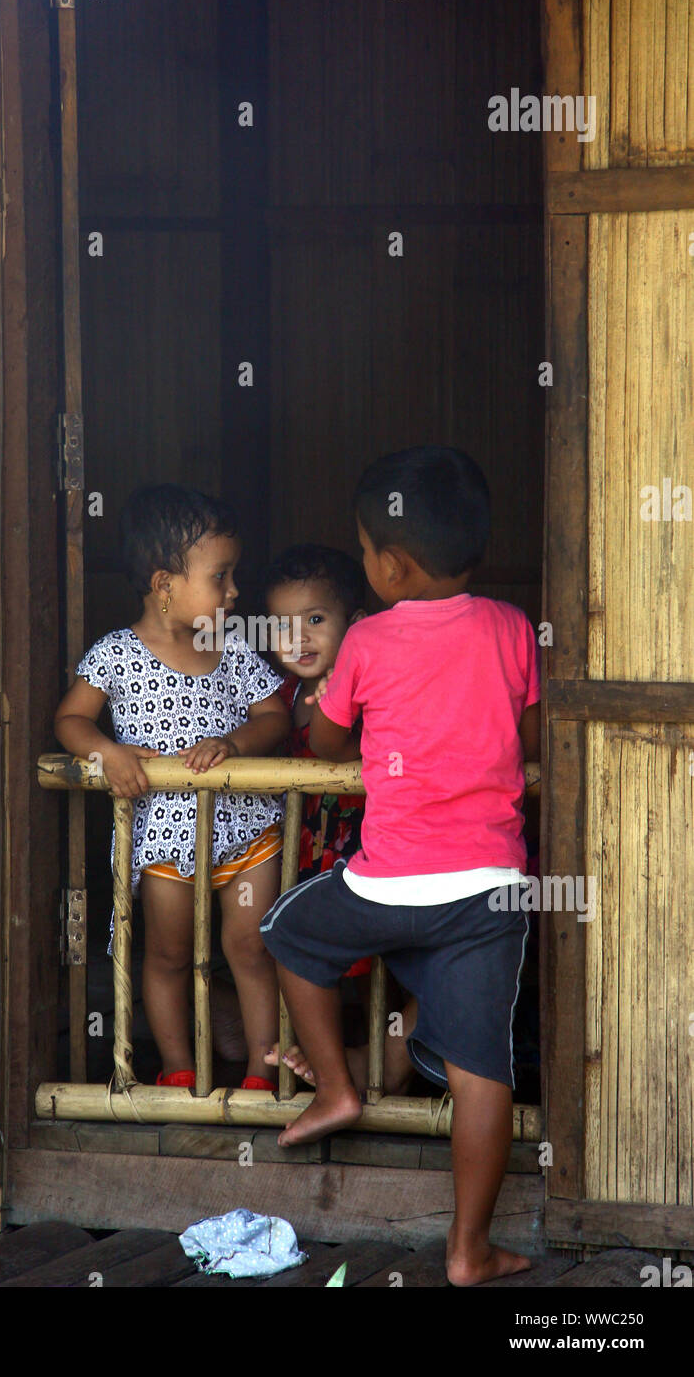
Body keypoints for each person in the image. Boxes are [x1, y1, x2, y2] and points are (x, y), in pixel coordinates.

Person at [260, 446, 541, 1286]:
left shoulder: (370, 642)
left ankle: (338, 1089)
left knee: (289, 932)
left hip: (385, 882)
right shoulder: (512, 629)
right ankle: (468, 1251)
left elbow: (328, 743)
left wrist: (339, 718)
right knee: (482, 1071)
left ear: (387, 565)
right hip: (488, 889)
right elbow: (528, 742)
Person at [55, 484, 290, 1091]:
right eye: (222, 576)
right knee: (166, 958)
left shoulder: (231, 648)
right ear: (164, 585)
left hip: (244, 832)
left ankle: (264, 1073)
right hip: (162, 841)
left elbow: (275, 717)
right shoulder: (115, 654)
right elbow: (70, 720)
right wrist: (106, 751)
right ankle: (180, 1067)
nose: (236, 591)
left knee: (251, 949)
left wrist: (235, 743)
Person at [262, 544, 413, 1095]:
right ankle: (319, 1052)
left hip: (368, 847)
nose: (297, 639)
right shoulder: (279, 694)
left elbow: (367, 752)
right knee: (307, 956)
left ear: (358, 624)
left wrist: (341, 706)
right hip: (305, 847)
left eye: (316, 620)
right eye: (281, 625)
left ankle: (383, 1061)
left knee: (387, 967)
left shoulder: (371, 686)